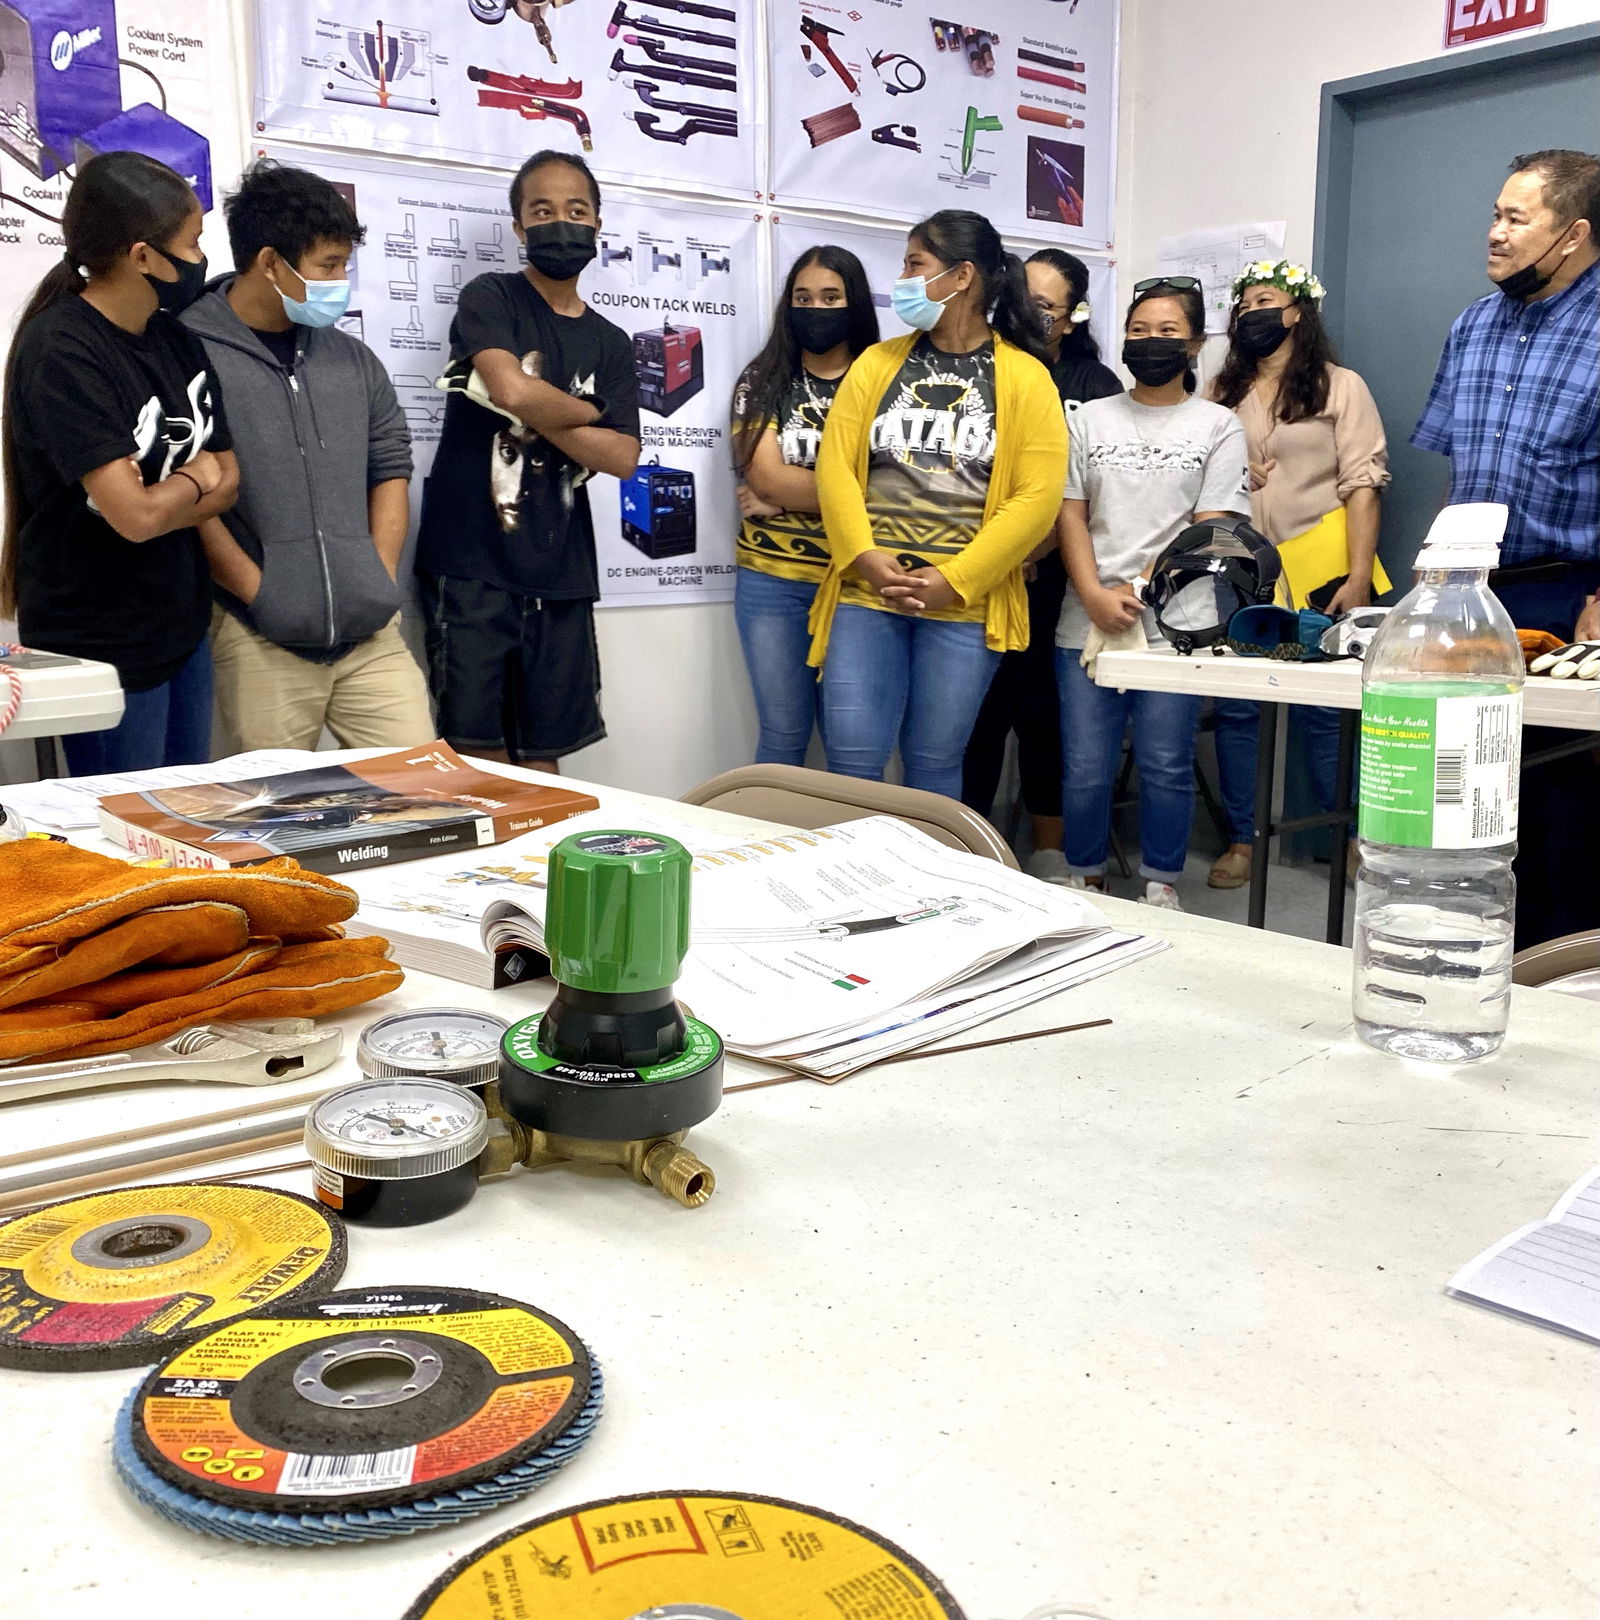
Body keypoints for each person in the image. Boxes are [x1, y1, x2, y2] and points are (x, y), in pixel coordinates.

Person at [809, 210, 1067, 799]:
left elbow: (1036, 498)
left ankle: (927, 867)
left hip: (964, 604)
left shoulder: (1027, 378)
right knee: (851, 762)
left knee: (933, 763)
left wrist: (956, 579)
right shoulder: (876, 364)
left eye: (914, 264)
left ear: (962, 276)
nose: (902, 279)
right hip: (867, 593)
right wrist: (864, 557)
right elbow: (836, 467)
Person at [1412, 148, 1600, 946]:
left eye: (1516, 219)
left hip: (1572, 598)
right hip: (1473, 592)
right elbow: (1459, 471)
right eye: (1495, 214)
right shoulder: (1472, 325)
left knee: (1563, 807)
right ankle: (1475, 956)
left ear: (1574, 234)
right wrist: (1434, 589)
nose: (1495, 232)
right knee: (1469, 797)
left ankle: (1563, 978)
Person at [181, 160, 431, 753]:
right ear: (270, 263)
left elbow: (389, 468)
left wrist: (378, 577)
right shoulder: (187, 351)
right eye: (328, 265)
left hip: (372, 639)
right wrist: (258, 593)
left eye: (345, 263)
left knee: (424, 785)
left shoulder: (353, 360)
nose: (341, 280)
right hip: (258, 637)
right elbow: (188, 491)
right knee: (274, 803)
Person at [1, 151, 238, 773]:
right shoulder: (63, 350)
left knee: (184, 811)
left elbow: (230, 479)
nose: (201, 259)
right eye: (192, 243)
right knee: (124, 824)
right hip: (100, 640)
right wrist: (192, 479)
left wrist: (171, 495)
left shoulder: (175, 339)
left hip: (181, 628)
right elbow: (134, 517)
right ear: (142, 257)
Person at [416, 149, 640, 772]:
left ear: (597, 223)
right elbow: (510, 390)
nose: (560, 223)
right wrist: (589, 413)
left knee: (546, 757)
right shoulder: (491, 297)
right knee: (476, 758)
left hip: (562, 569)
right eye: (542, 211)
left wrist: (548, 410)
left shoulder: (611, 342)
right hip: (471, 563)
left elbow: (624, 456)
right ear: (519, 227)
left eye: (576, 210)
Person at [1055, 277, 1251, 910]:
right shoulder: (1088, 419)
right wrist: (1093, 592)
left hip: (1177, 623)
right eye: (1138, 330)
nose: (1151, 341)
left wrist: (1139, 588)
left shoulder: (1218, 425)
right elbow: (1069, 514)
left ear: (1193, 344)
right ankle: (1085, 874)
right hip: (1086, 616)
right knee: (1086, 763)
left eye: (1167, 331)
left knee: (1166, 759)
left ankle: (1161, 882)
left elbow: (1210, 526)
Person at [1204, 259, 1391, 889]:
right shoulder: (1221, 390)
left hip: (1321, 571)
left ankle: (1354, 843)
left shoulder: (1341, 386)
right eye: (1243, 304)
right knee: (1238, 711)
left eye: (1265, 300)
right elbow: (1194, 471)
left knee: (1325, 713)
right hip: (1241, 570)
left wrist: (1357, 576)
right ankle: (1242, 841)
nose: (1251, 313)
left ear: (1297, 312)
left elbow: (1364, 485)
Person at [962, 248, 1122, 880]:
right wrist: (997, 553)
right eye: (1019, 296)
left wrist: (1033, 549)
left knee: (1042, 713)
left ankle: (1050, 849)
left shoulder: (1093, 385)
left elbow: (1088, 493)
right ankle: (967, 846)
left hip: (1057, 579)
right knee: (977, 715)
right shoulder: (981, 367)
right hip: (979, 571)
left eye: (1043, 304)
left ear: (1074, 315)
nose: (1025, 312)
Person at [731, 246, 879, 765]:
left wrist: (788, 497)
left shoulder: (884, 381)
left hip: (859, 584)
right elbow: (765, 477)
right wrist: (851, 495)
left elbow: (900, 489)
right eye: (804, 297)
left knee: (853, 748)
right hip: (772, 583)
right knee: (782, 736)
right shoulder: (762, 379)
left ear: (854, 302)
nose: (816, 308)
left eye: (831, 297)